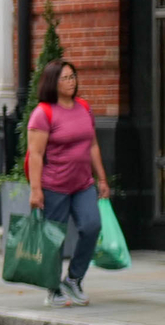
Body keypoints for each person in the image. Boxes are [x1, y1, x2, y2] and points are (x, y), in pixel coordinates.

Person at [26, 58, 112, 308]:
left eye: (73, 76)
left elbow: (93, 144)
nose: (71, 82)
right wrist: (35, 190)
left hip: (83, 184)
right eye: (65, 78)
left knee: (92, 226)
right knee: (55, 239)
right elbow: (36, 155)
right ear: (53, 81)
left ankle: (74, 279)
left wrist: (102, 178)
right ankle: (53, 288)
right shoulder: (43, 113)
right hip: (54, 186)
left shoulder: (83, 107)